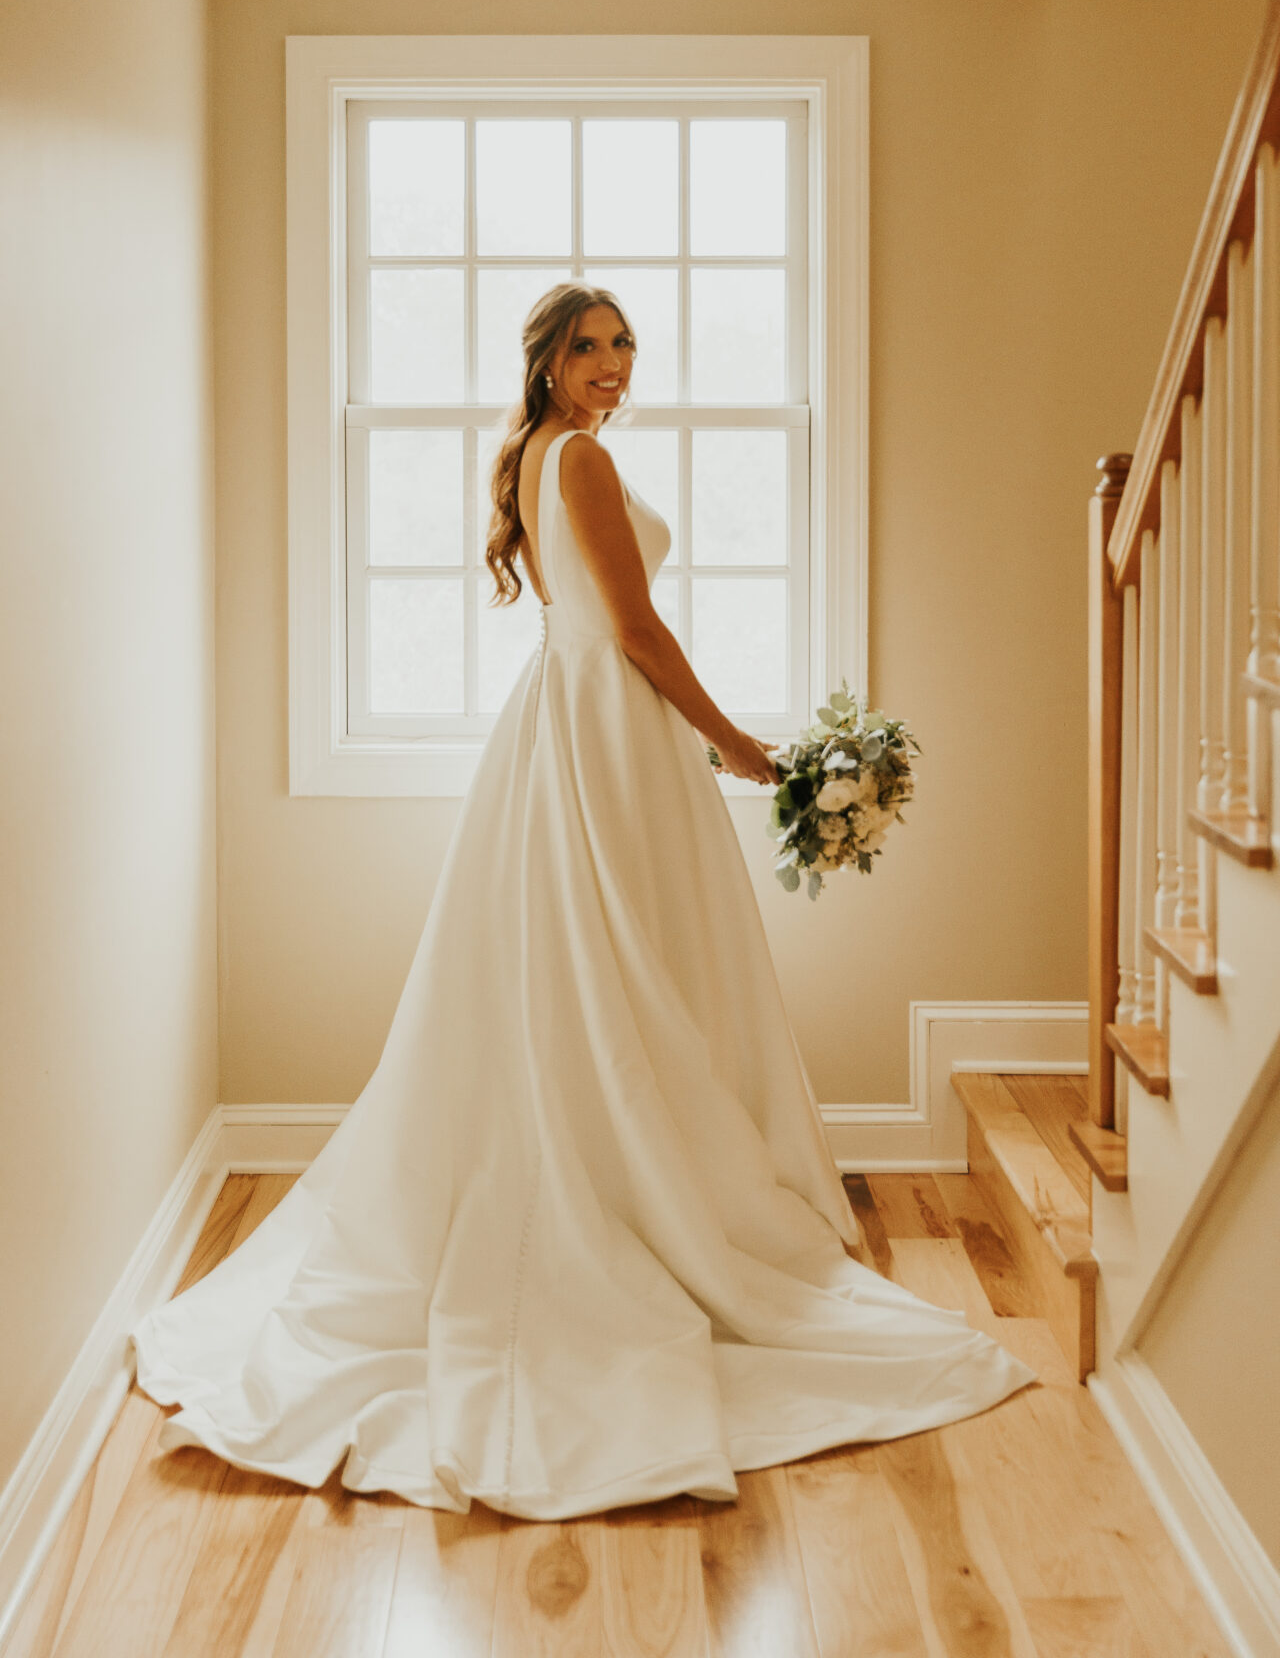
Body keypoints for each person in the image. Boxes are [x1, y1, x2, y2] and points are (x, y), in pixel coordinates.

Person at [128, 281, 1035, 1520]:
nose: (610, 364)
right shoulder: (582, 469)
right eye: (586, 347)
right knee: (621, 962)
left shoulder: (536, 458)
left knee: (590, 964)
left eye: (621, 346)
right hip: (607, 725)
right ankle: (626, 1193)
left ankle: (613, 1165)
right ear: (547, 362)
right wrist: (741, 747)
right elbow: (635, 631)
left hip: (569, 727)